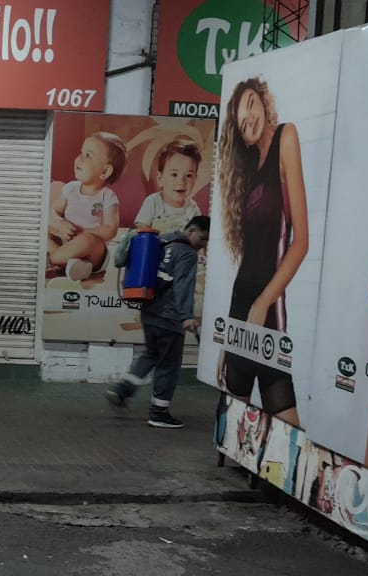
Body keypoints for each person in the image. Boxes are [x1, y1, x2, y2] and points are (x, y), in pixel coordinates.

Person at [214, 77, 309, 429]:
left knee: (285, 417)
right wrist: (227, 339)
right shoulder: (246, 170)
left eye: (251, 103)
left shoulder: (287, 136)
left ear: (264, 103)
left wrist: (265, 301)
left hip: (267, 306)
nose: (248, 118)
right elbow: (246, 261)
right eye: (240, 119)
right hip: (241, 305)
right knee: (233, 416)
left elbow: (300, 242)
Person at [104, 216, 209, 428]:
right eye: (203, 238)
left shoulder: (162, 242)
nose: (204, 244)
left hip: (149, 311)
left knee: (152, 354)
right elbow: (182, 286)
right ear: (191, 231)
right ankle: (159, 413)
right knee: (168, 365)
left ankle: (121, 390)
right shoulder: (187, 253)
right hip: (169, 316)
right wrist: (186, 316)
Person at [47, 132, 127, 281]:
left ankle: (50, 260)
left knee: (87, 241)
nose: (80, 158)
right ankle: (70, 264)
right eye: (81, 152)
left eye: (88, 155)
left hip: (94, 252)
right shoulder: (70, 189)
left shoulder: (107, 196)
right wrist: (61, 223)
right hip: (69, 244)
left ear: (105, 171)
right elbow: (53, 211)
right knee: (43, 235)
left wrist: (84, 232)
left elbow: (110, 229)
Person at [135, 139, 203, 234]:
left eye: (189, 175)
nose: (181, 181)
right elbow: (142, 230)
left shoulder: (192, 208)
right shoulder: (153, 202)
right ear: (160, 178)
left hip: (181, 248)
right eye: (174, 174)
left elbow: (197, 235)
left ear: (195, 180)